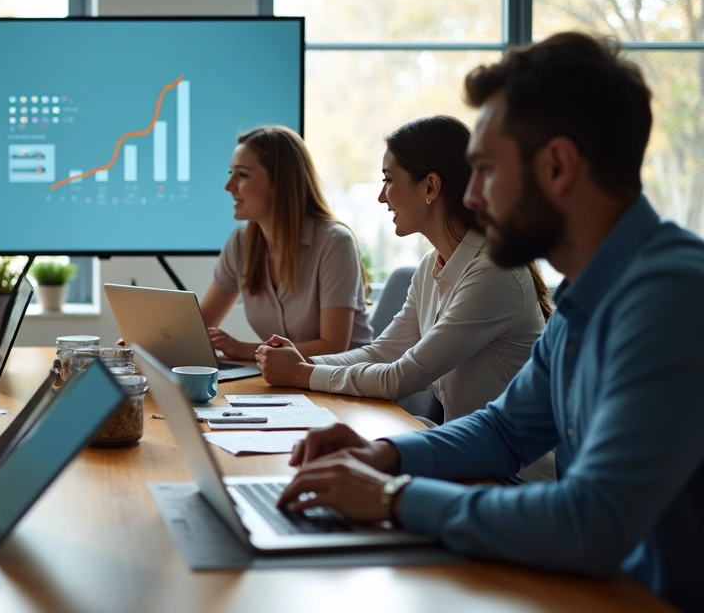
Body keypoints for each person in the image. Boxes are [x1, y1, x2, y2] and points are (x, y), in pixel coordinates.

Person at [274, 32, 704, 612]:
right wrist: (387, 457)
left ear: (557, 165)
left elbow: (592, 522)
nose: (471, 198)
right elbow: (505, 432)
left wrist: (393, 497)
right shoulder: (586, 294)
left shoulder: (672, 297)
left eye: (485, 170)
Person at [254, 116, 551, 423]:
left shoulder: (494, 272)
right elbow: (381, 353)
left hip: (510, 469)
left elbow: (401, 377)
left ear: (431, 187)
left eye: (389, 180)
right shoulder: (429, 267)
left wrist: (303, 373)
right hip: (466, 447)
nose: (382, 196)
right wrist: (302, 363)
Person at [201, 125, 372, 361]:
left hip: (344, 385)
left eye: (242, 174)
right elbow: (199, 328)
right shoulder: (240, 244)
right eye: (231, 173)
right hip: (289, 384)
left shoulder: (334, 243)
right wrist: (143, 342)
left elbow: (334, 346)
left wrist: (245, 349)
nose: (228, 186)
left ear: (278, 182)